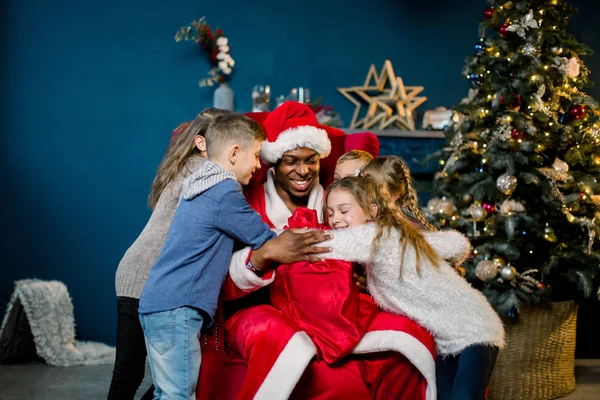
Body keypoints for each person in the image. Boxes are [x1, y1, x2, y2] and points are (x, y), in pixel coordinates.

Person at [197, 101, 437, 400]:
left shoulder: (338, 200)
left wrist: (365, 279)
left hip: (336, 311)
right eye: (291, 161)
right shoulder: (245, 202)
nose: (303, 170)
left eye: (311, 160)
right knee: (289, 349)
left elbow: (369, 245)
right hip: (260, 309)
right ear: (273, 161)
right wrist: (265, 255)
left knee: (406, 335)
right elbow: (215, 281)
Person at [323, 175, 505, 400]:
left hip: (475, 330)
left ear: (371, 211)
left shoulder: (374, 235)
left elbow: (325, 243)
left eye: (344, 210)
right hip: (446, 340)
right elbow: (457, 245)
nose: (335, 219)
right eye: (330, 213)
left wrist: (275, 239)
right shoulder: (396, 236)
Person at [138, 113, 278, 399]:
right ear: (235, 153)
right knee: (178, 395)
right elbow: (263, 237)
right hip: (178, 307)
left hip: (160, 304)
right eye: (255, 155)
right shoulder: (224, 191)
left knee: (166, 394)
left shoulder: (200, 183)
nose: (258, 164)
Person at [109, 108, 229, 400]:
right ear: (202, 143)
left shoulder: (192, 167)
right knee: (132, 367)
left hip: (148, 272)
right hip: (142, 273)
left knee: (164, 370)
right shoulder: (200, 169)